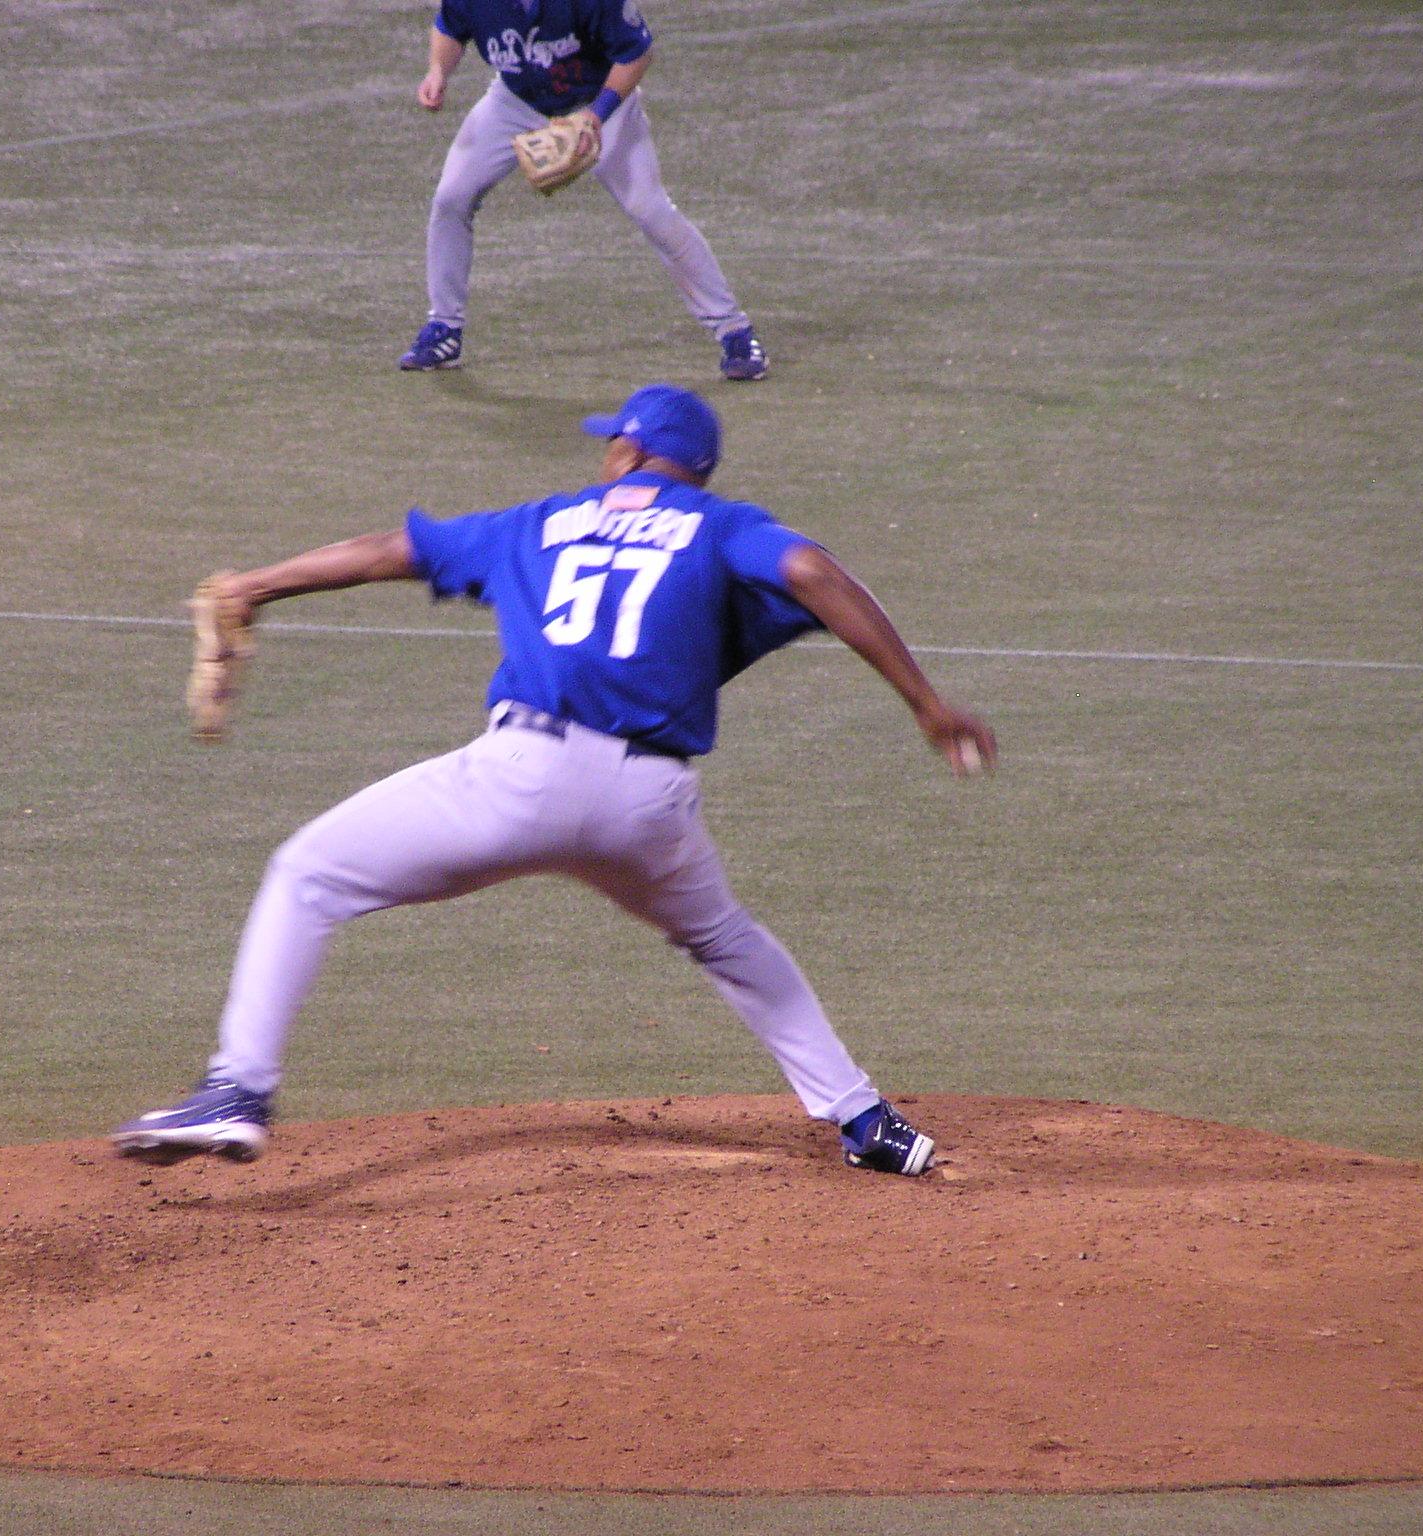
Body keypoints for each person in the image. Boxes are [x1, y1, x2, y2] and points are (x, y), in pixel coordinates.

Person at [112, 384, 995, 1176]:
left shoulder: (540, 522)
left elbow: (386, 551)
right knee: (727, 939)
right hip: (644, 807)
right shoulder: (722, 526)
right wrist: (925, 703)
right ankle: (864, 1119)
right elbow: (810, 571)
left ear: (629, 453)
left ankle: (238, 1089)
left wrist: (255, 588)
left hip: (518, 781)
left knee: (307, 874)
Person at [399, 0, 770, 382]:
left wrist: (597, 114)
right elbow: (449, 27)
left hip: (600, 99)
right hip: (515, 101)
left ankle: (733, 330)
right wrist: (438, 70)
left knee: (649, 209)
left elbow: (636, 53)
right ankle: (444, 327)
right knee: (451, 198)